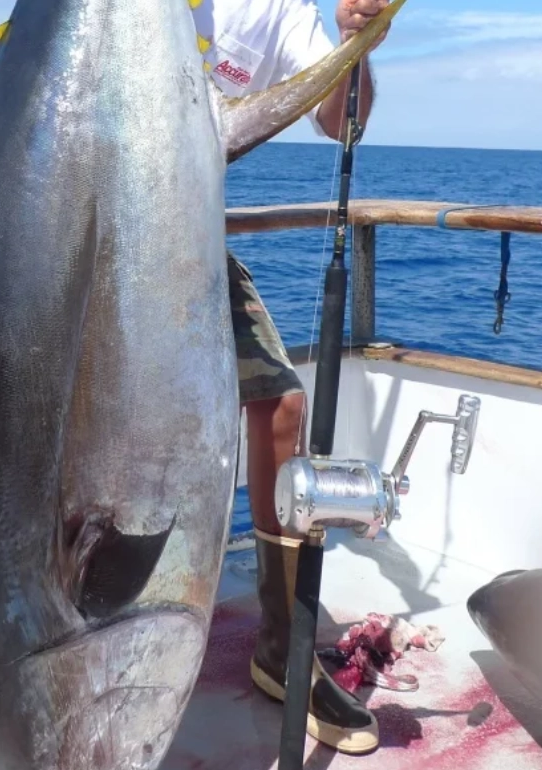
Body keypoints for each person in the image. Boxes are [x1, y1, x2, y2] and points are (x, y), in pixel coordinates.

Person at [191, 0, 393, 756]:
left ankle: (282, 644)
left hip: (181, 239)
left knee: (278, 405)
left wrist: (356, 44)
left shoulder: (277, 10)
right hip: (77, 229)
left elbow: (341, 118)